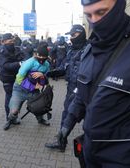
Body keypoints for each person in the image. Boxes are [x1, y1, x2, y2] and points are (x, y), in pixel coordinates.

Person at [49, 0, 130, 167]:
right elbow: (81, 95)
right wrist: (66, 126)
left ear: (120, 5)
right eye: (88, 15)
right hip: (90, 154)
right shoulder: (89, 51)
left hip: (123, 160)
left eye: (101, 12)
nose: (95, 21)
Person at [45, 24, 87, 152]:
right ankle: (61, 141)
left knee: (90, 119)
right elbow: (64, 67)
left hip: (86, 90)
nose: (72, 38)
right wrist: (52, 72)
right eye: (71, 36)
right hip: (71, 89)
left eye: (74, 35)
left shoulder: (90, 49)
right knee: (67, 114)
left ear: (82, 34)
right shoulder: (70, 50)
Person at [3, 42, 51, 130]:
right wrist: (33, 87)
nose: (41, 60)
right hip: (20, 89)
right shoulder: (29, 62)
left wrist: (42, 76)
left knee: (39, 107)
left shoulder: (47, 65)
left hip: (34, 92)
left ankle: (40, 119)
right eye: (39, 57)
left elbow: (47, 77)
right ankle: (11, 120)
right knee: (14, 110)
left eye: (44, 58)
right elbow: (19, 79)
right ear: (36, 55)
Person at [0, 33, 23, 122]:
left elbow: (22, 57)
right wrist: (19, 64)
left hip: (17, 77)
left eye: (13, 41)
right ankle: (8, 118)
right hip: (7, 78)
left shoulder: (16, 49)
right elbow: (6, 65)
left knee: (17, 97)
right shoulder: (2, 52)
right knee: (9, 98)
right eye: (9, 41)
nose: (12, 43)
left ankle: (14, 116)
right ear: (3, 42)